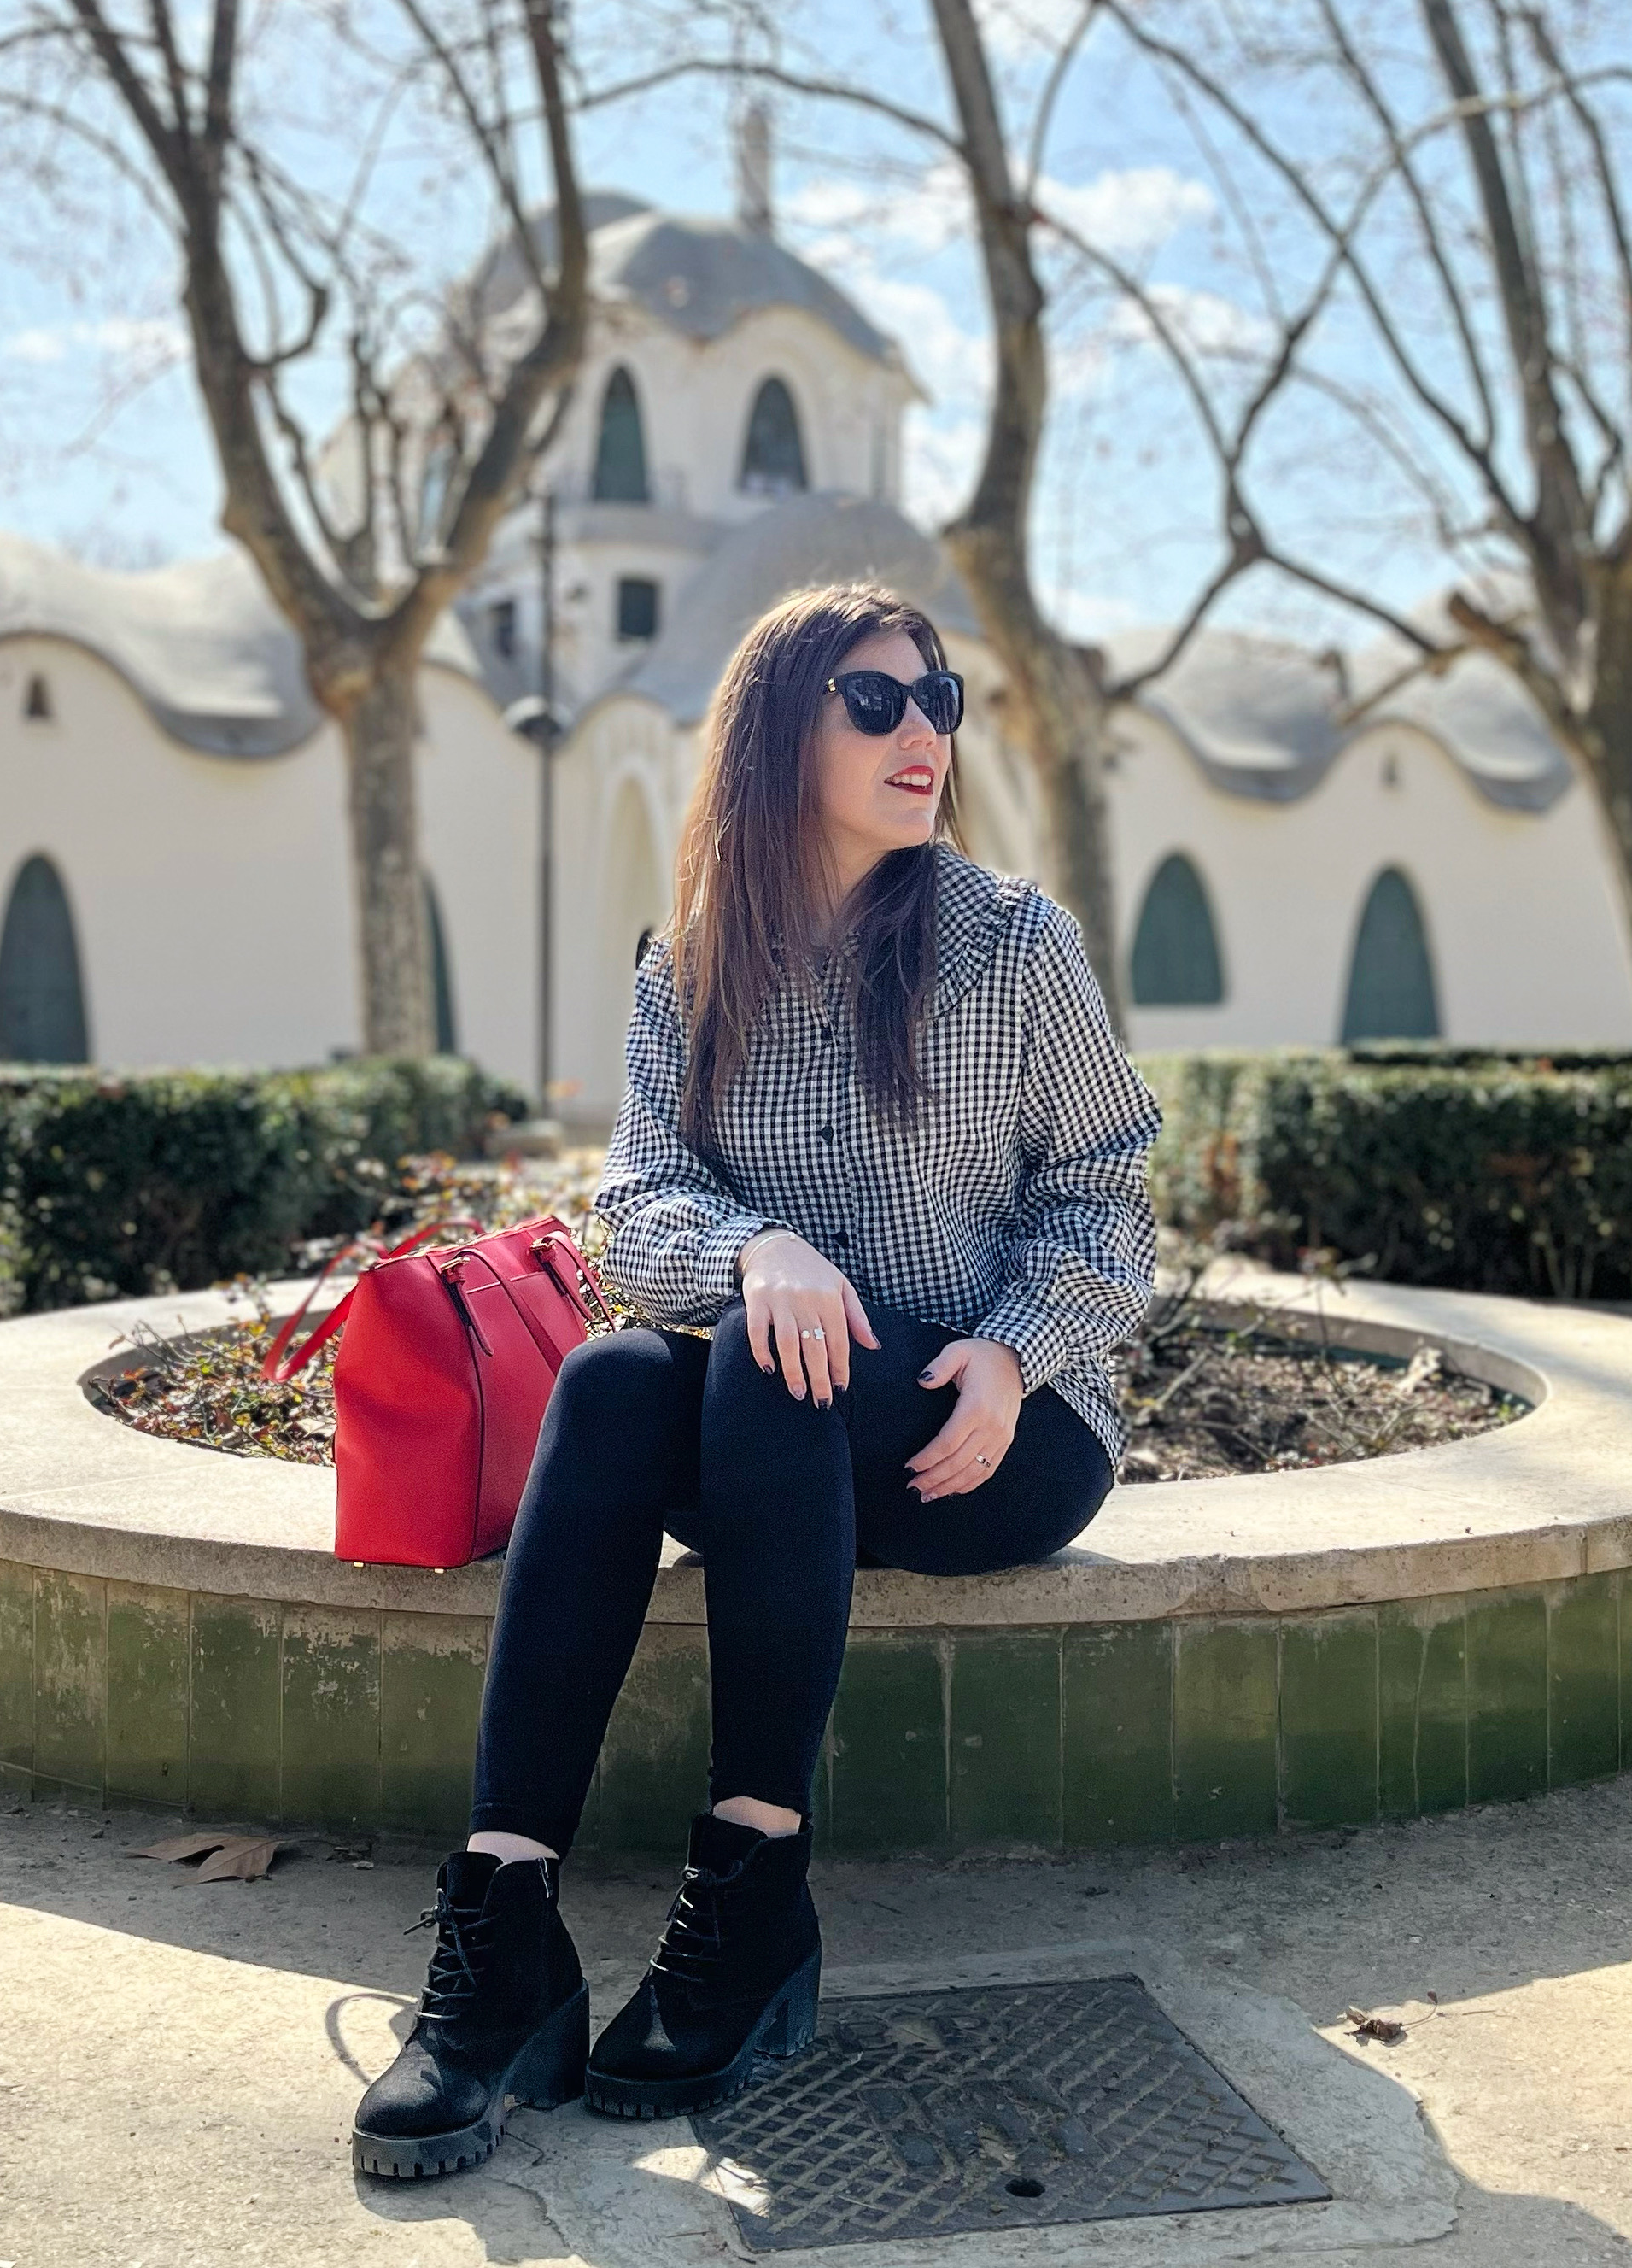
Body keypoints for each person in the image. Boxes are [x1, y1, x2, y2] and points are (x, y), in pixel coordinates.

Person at [353, 583, 1161, 2179]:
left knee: (766, 1372)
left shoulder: (1015, 943)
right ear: (780, 733)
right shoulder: (692, 967)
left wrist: (1018, 1348)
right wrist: (756, 1249)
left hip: (991, 1429)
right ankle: (504, 1929)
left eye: (937, 698)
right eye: (876, 701)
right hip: (774, 1427)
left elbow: (1109, 1192)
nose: (923, 730)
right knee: (612, 1384)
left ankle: (751, 1897)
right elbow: (638, 1209)